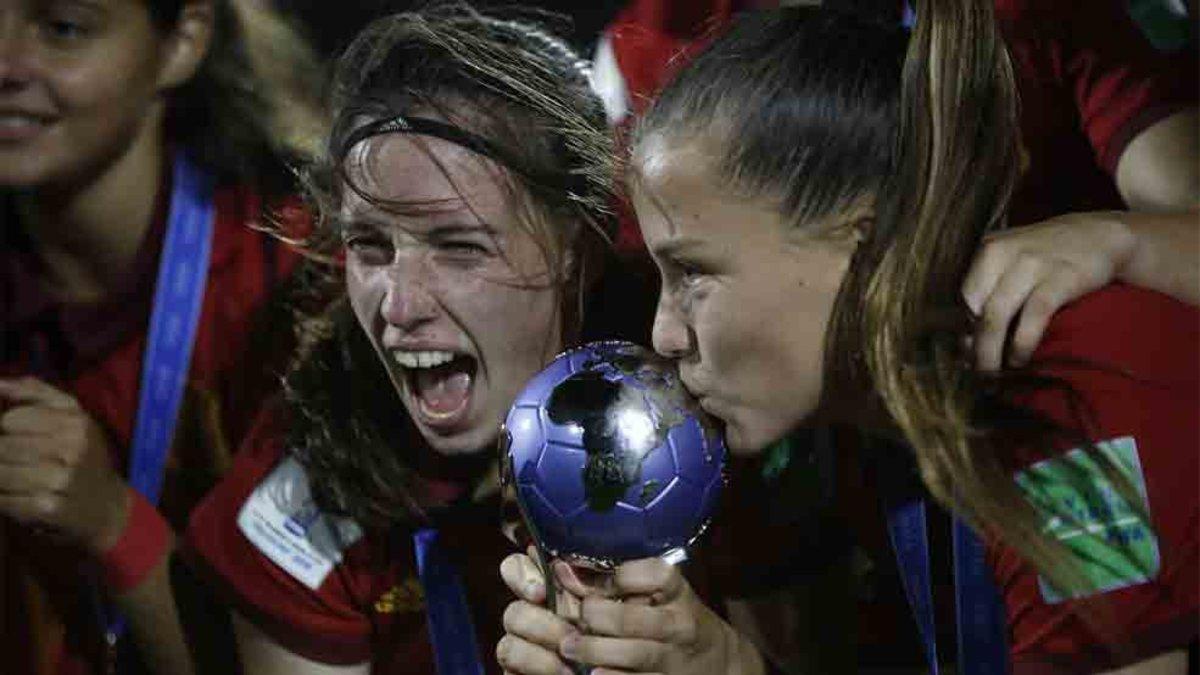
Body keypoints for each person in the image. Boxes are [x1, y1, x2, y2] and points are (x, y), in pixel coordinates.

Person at [497, 2, 1198, 673]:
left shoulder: (1066, 384)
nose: (664, 333)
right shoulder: (861, 437)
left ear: (869, 247)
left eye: (693, 272)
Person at [181, 6, 640, 673]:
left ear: (582, 248)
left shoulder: (701, 422)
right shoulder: (302, 503)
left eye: (457, 246)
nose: (397, 306)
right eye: (369, 245)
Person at [0, 0, 323, 673]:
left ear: (183, 39)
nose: (4, 64)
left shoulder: (299, 285)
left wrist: (114, 523)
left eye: (62, 29)